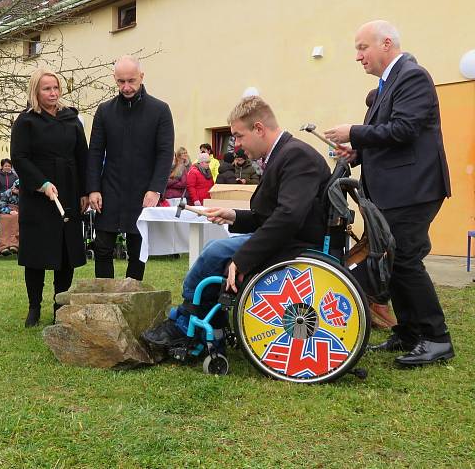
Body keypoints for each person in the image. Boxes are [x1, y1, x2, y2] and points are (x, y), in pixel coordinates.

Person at [143, 96, 330, 350]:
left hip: (297, 245)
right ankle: (204, 322)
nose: (237, 146)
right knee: (216, 251)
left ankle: (186, 323)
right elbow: (273, 216)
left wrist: (243, 259)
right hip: (290, 238)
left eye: (239, 136)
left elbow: (288, 217)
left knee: (215, 252)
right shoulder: (285, 154)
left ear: (259, 129)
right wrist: (233, 215)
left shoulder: (295, 155)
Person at [324, 20, 453, 367]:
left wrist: (354, 131)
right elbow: (387, 136)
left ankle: (436, 338)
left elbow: (405, 129)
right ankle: (410, 333)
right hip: (396, 188)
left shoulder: (411, 75)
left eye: (362, 47)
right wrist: (357, 152)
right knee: (392, 260)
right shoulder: (386, 85)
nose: (357, 56)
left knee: (405, 258)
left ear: (386, 43)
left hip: (413, 188)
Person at [11, 68, 88, 327]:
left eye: (55, 88)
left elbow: (83, 156)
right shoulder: (26, 121)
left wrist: (85, 191)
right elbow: (20, 157)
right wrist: (41, 183)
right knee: (36, 252)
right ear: (36, 91)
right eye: (47, 88)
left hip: (68, 189)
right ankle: (34, 307)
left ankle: (59, 305)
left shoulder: (71, 119)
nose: (53, 93)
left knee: (65, 253)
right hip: (38, 194)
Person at [86, 55, 174, 281]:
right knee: (103, 247)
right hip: (110, 189)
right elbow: (95, 152)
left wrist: (155, 189)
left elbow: (165, 154)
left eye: (131, 81)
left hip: (143, 190)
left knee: (137, 250)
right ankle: (104, 298)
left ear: (141, 77)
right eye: (120, 82)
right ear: (115, 80)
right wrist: (93, 188)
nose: (126, 87)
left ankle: (133, 297)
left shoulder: (160, 110)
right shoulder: (104, 111)